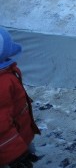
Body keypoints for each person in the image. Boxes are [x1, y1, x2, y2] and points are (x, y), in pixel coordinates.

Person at [0, 27, 40, 168]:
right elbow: (2, 126)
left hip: (18, 137)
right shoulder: (2, 82)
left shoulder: (6, 71)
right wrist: (16, 156)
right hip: (8, 151)